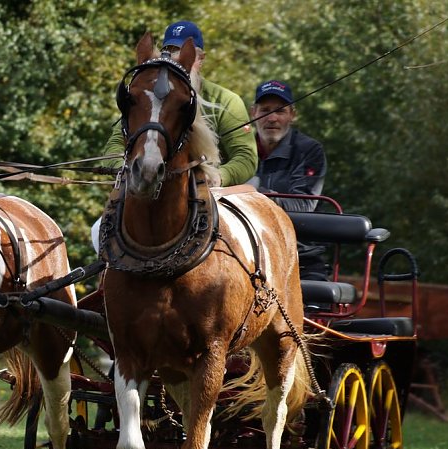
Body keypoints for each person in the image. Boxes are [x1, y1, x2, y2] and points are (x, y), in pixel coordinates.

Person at [102, 20, 258, 188]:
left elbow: (245, 157)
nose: (177, 61)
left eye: (184, 54)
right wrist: (123, 168)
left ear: (201, 59)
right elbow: (116, 143)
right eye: (170, 52)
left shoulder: (227, 101)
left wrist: (218, 176)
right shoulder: (149, 97)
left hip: (211, 193)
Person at [249, 79, 329, 280]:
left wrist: (251, 195)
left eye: (280, 111)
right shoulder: (238, 149)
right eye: (265, 110)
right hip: (246, 253)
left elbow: (303, 205)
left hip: (298, 256)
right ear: (253, 113)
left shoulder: (309, 150)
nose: (272, 118)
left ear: (292, 115)